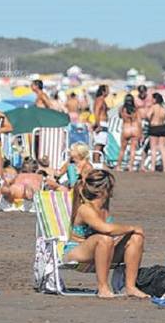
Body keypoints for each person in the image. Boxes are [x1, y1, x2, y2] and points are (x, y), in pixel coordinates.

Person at [63, 170, 148, 298]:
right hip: (77, 251)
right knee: (105, 238)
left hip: (104, 252)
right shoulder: (85, 208)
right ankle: (103, 287)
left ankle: (130, 287)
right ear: (103, 190)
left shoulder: (104, 206)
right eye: (111, 187)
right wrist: (132, 227)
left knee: (136, 238)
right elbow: (105, 228)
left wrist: (133, 232)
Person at [115, 94, 142, 172]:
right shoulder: (136, 109)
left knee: (122, 149)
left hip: (126, 128)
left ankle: (118, 166)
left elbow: (120, 116)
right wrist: (141, 133)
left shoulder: (121, 109)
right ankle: (130, 167)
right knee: (133, 149)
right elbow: (139, 122)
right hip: (135, 128)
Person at [147, 93, 165, 172]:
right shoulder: (163, 108)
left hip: (154, 127)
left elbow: (148, 115)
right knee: (163, 148)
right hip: (162, 127)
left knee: (153, 148)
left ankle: (152, 167)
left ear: (155, 99)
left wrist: (150, 120)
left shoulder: (153, 107)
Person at [92, 85, 109, 164]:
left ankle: (98, 162)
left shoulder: (101, 100)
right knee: (98, 145)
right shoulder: (100, 100)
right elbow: (96, 112)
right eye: (107, 90)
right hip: (101, 123)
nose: (108, 92)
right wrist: (98, 124)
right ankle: (96, 163)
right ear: (103, 91)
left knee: (101, 145)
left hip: (102, 123)